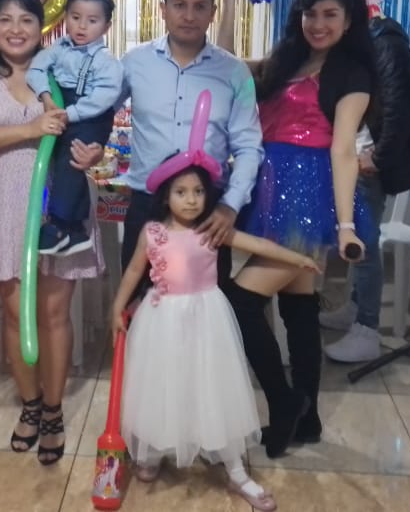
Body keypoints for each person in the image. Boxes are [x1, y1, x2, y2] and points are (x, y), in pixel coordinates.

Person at [220, 0, 379, 459]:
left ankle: (284, 401)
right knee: (298, 306)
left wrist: (346, 226)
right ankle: (307, 418)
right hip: (269, 185)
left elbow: (343, 149)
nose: (318, 24)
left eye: (330, 15)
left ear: (348, 21)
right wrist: (230, 1)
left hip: (306, 195)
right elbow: (227, 66)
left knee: (240, 300)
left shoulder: (352, 74)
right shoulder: (287, 61)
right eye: (311, 14)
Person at [0, 0, 104, 466]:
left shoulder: (64, 67)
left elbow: (92, 121)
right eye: (5, 20)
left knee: (54, 315)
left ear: (43, 27)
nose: (16, 29)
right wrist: (30, 129)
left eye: (26, 20)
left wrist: (93, 151)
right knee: (16, 316)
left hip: (59, 206)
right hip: (5, 206)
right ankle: (30, 405)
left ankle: (53, 412)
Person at [111, 161, 322, 512]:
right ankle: (154, 450)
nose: (191, 200)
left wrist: (297, 259)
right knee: (163, 383)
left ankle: (235, 468)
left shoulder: (212, 231)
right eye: (181, 192)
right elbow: (135, 269)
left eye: (198, 192)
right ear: (165, 197)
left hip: (208, 320)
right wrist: (117, 307)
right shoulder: (152, 233)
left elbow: (257, 243)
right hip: (162, 321)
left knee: (213, 387)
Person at [117, 0, 263, 300]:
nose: (189, 16)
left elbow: (249, 146)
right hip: (147, 204)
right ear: (163, 9)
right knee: (139, 305)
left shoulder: (234, 72)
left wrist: (230, 206)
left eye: (199, 6)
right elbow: (100, 111)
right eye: (179, 5)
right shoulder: (134, 63)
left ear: (213, 12)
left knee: (205, 308)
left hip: (207, 208)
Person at [320, 11, 410, 362]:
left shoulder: (385, 46)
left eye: (331, 16)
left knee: (364, 244)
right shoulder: (362, 48)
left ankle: (367, 330)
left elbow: (401, 109)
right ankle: (355, 309)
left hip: (367, 163)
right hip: (355, 157)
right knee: (359, 241)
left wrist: (378, 157)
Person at [27, 0, 122, 256]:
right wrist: (46, 97)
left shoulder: (106, 61)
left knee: (72, 161)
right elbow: (36, 69)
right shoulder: (59, 48)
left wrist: (70, 113)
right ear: (65, 16)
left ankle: (59, 224)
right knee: (65, 162)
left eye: (92, 20)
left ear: (106, 26)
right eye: (76, 17)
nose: (82, 26)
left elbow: (104, 97)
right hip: (62, 106)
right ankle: (76, 230)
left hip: (92, 116)